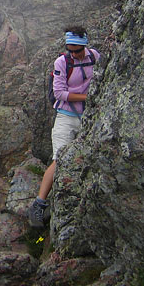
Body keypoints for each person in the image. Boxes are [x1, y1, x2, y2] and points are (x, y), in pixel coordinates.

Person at [28, 26, 100, 228]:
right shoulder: (62, 62)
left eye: (78, 50)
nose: (74, 54)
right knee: (59, 159)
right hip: (66, 117)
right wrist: (88, 97)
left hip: (90, 116)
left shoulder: (94, 57)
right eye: (71, 50)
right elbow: (59, 93)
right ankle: (39, 204)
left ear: (85, 46)